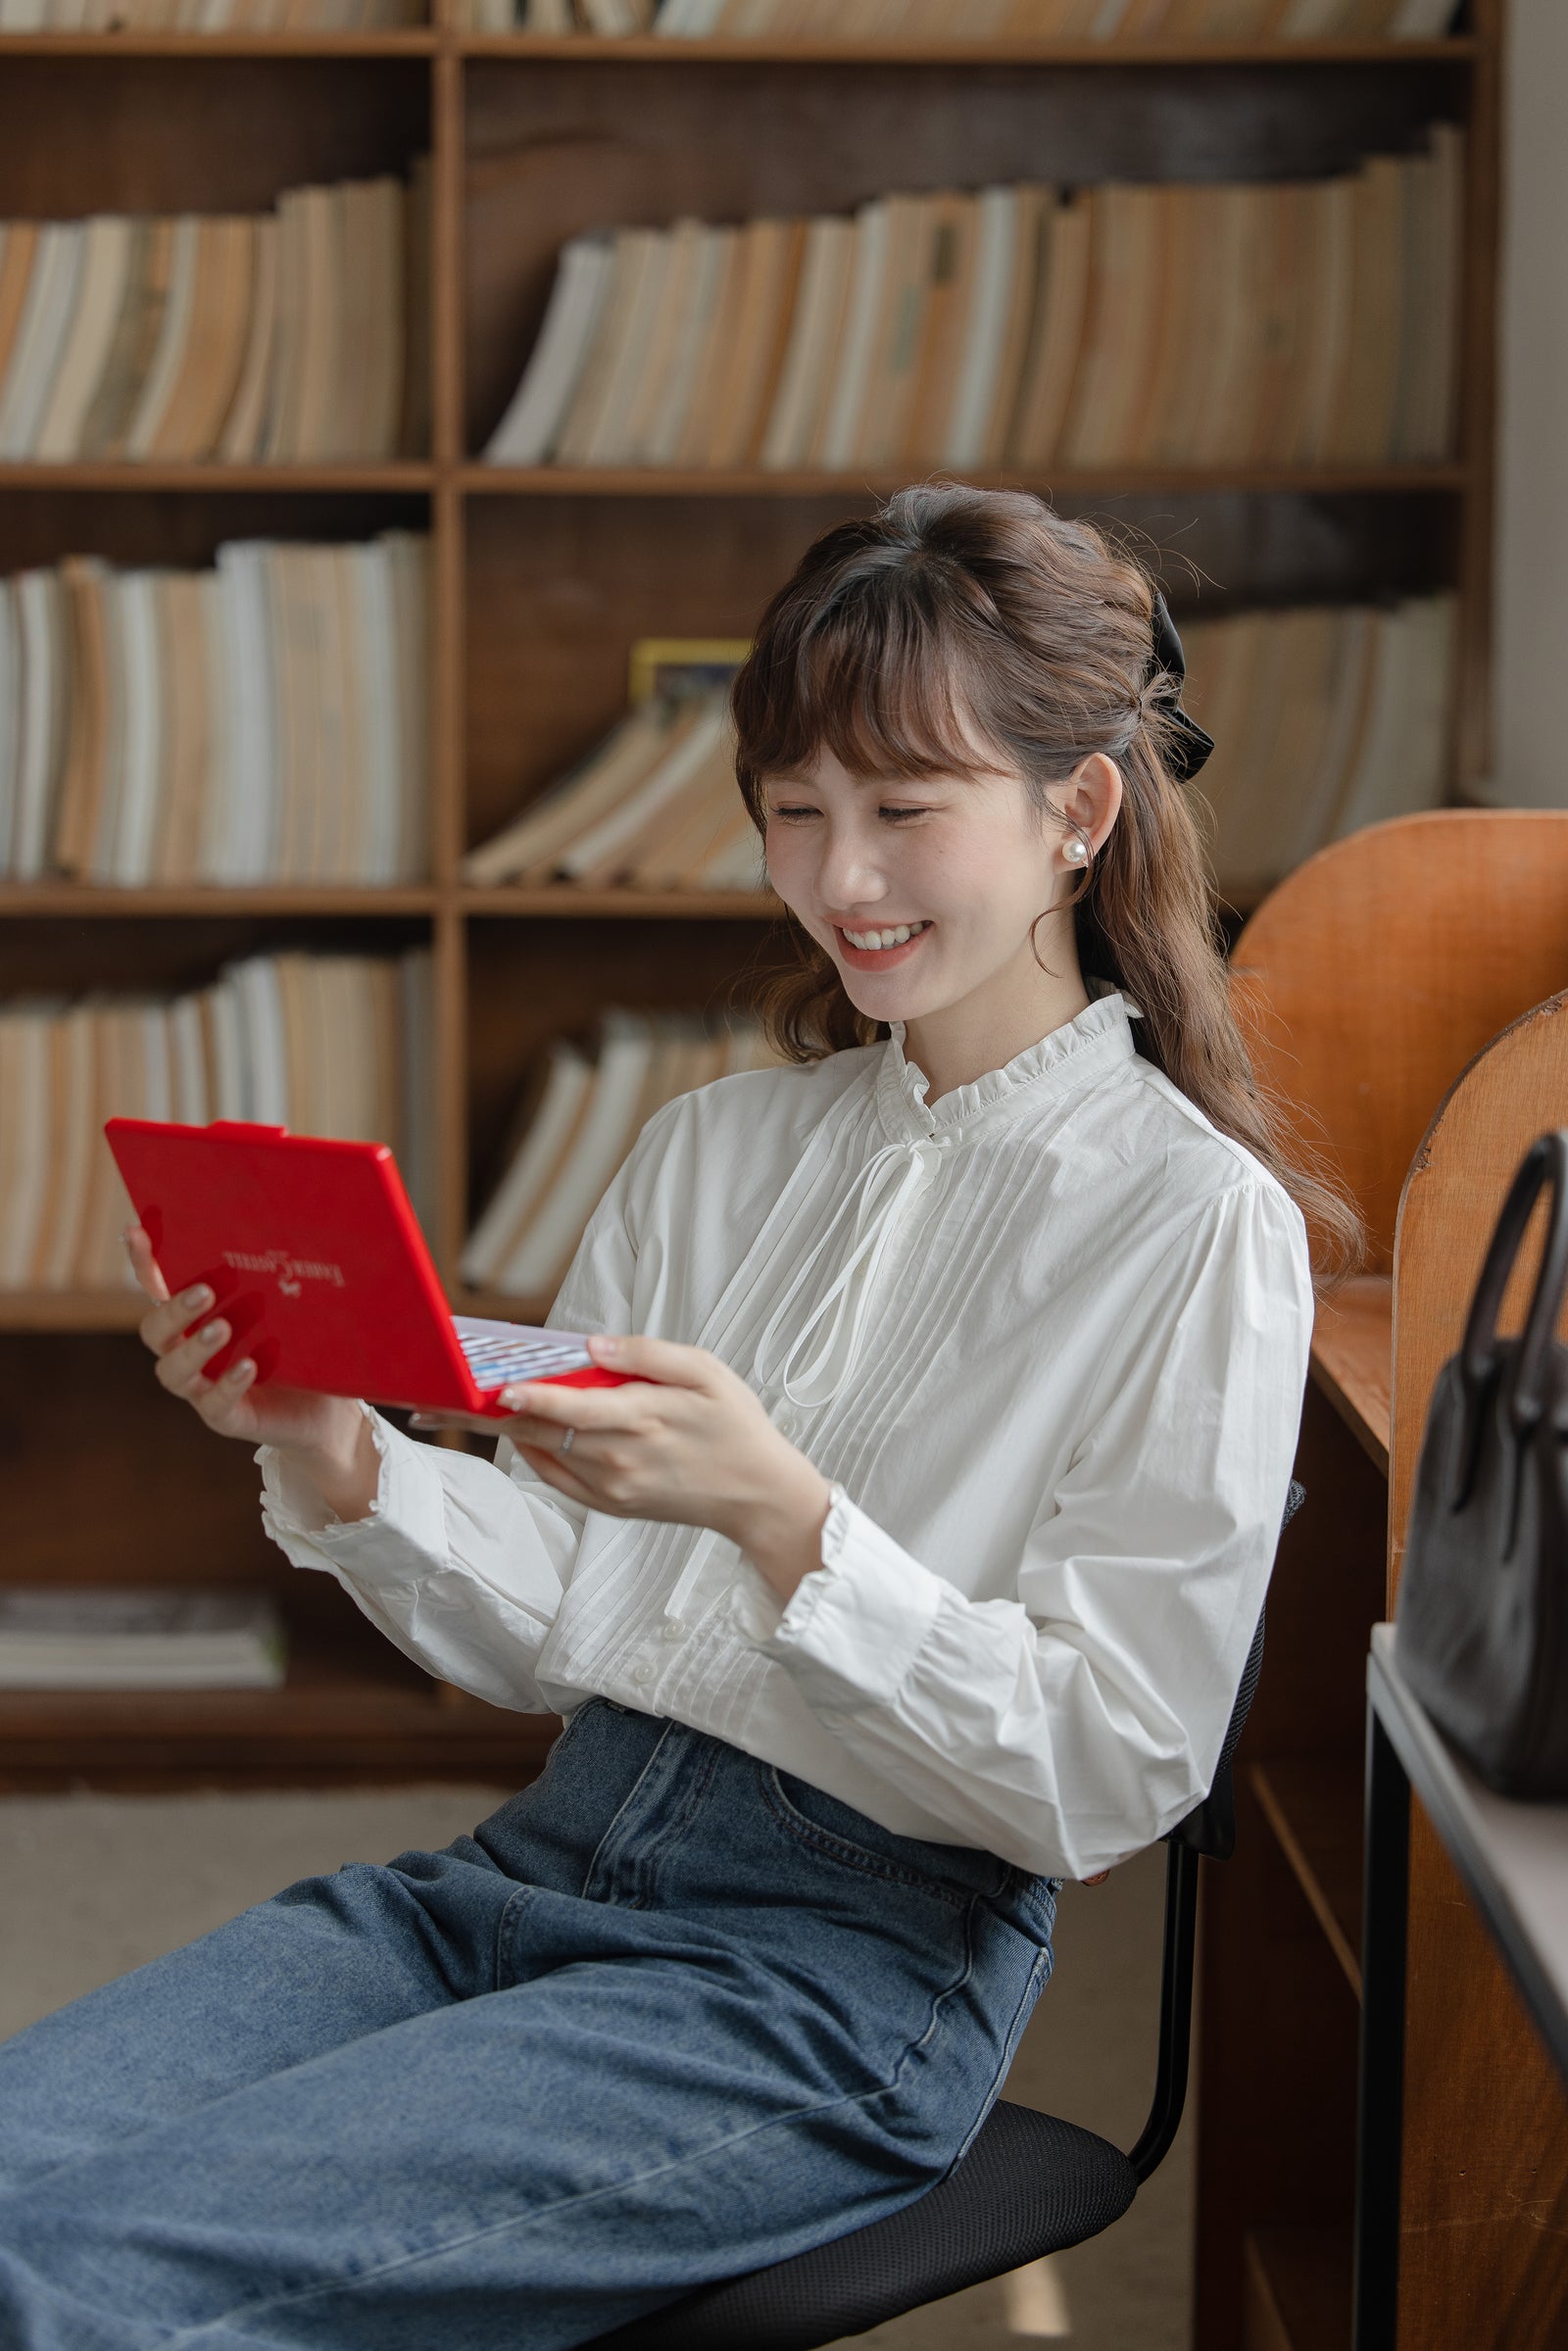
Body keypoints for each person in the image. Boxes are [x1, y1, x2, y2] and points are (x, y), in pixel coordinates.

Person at [0, 484, 1352, 2351]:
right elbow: (574, 1622)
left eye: (903, 812)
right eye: (794, 814)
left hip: (836, 1982)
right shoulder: (712, 1156)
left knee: (68, 2289)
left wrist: (787, 1521)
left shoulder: (1196, 1229)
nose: (840, 880)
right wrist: (331, 1449)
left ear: (1077, 812)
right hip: (539, 1868)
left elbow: (1110, 1767)